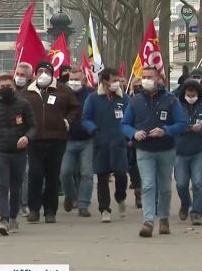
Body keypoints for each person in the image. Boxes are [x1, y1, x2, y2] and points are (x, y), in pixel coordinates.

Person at [121, 66, 187, 237]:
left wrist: (166, 130)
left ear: (159, 79)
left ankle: (163, 218)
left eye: (150, 76)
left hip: (166, 149)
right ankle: (148, 221)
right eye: (144, 77)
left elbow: (182, 123)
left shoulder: (171, 100)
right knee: (148, 185)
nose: (146, 80)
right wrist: (133, 133)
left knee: (164, 187)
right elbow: (125, 124)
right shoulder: (135, 100)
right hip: (144, 150)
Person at [24, 61, 80, 223]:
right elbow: (18, 110)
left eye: (46, 71)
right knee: (35, 175)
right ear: (35, 74)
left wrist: (67, 122)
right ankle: (34, 209)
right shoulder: (27, 91)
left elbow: (75, 108)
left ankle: (50, 211)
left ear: (52, 73)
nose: (43, 74)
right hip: (34, 140)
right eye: (39, 71)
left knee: (52, 177)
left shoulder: (63, 90)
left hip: (57, 139)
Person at [0, 75, 36, 235]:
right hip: (0, 152)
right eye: (2, 86)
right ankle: (4, 220)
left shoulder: (23, 104)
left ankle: (13, 217)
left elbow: (33, 127)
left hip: (19, 153)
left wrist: (27, 137)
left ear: (13, 86)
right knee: (2, 186)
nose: (5, 88)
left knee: (15, 188)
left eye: (8, 85)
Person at [82, 68, 131, 223]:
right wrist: (93, 130)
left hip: (119, 143)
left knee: (121, 175)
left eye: (118, 80)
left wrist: (129, 134)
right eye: (113, 80)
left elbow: (131, 118)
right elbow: (86, 118)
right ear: (104, 81)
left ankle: (120, 197)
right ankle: (105, 209)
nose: (116, 83)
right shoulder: (93, 98)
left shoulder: (124, 99)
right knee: (102, 177)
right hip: (101, 143)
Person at [174, 79, 202, 226]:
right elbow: (167, 124)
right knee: (181, 184)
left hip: (199, 150)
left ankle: (196, 212)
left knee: (198, 183)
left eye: (193, 93)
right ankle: (185, 204)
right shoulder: (176, 105)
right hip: (180, 151)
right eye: (188, 93)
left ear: (198, 94)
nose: (191, 96)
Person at [60, 70, 95, 217]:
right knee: (65, 172)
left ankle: (83, 204)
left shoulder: (91, 96)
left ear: (84, 81)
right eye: (71, 79)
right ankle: (70, 195)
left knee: (86, 173)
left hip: (87, 140)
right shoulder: (62, 94)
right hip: (68, 139)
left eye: (76, 79)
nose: (73, 82)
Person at [13, 62, 33, 216]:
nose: (19, 77)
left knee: (25, 173)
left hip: (26, 138)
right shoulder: (8, 91)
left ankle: (25, 203)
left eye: (22, 75)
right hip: (8, 138)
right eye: (17, 74)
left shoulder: (32, 93)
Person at [127, 77, 143, 208]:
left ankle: (143, 192)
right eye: (136, 86)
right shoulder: (128, 100)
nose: (138, 88)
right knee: (132, 166)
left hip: (146, 139)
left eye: (140, 85)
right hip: (131, 139)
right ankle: (138, 189)